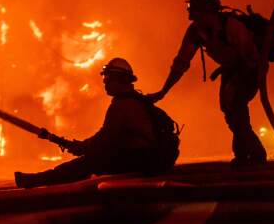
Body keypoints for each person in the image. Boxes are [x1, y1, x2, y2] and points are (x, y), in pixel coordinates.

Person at [147, 0, 266, 165]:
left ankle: (254, 154)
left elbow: (251, 58)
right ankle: (245, 154)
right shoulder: (195, 32)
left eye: (194, 7)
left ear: (206, 9)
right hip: (231, 69)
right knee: (229, 110)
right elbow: (181, 63)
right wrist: (164, 91)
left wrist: (235, 83)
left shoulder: (231, 26)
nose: (191, 12)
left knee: (235, 105)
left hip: (252, 67)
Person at [15, 58, 167, 188]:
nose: (105, 83)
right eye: (104, 80)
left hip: (138, 161)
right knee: (93, 159)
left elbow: (104, 140)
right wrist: (79, 146)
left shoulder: (123, 105)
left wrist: (80, 147)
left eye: (108, 79)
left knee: (88, 163)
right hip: (143, 158)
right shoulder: (136, 100)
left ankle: (35, 181)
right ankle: (37, 179)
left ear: (121, 80)